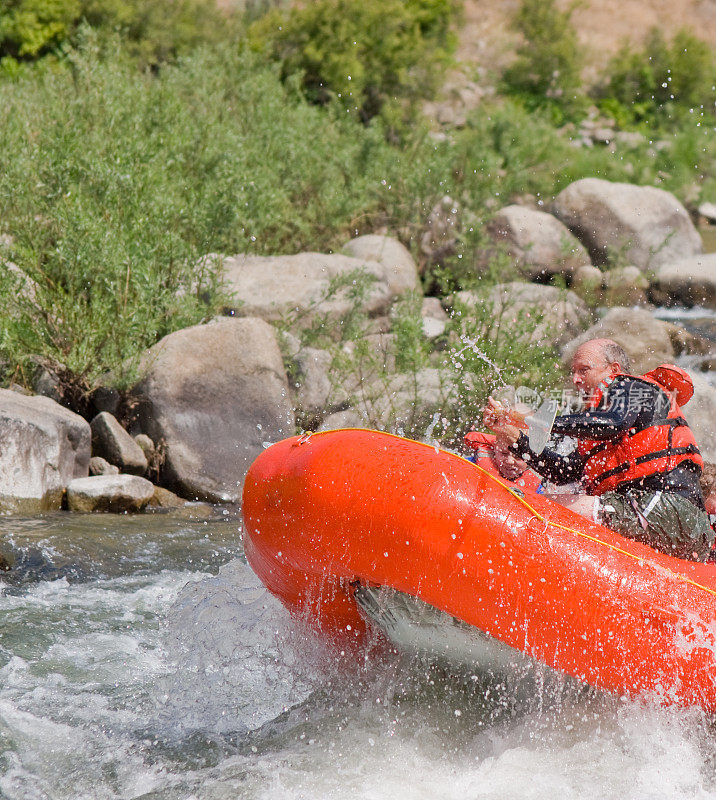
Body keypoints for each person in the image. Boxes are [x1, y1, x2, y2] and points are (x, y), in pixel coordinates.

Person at [485, 338, 714, 562]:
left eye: (584, 370)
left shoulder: (630, 386)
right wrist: (511, 434)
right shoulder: (598, 429)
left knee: (543, 505)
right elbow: (562, 472)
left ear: (613, 369)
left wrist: (541, 421)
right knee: (555, 500)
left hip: (668, 508)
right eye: (573, 372)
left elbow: (614, 423)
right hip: (677, 525)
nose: (575, 379)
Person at [464, 430, 544, 491]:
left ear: (530, 458)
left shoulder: (537, 488)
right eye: (504, 453)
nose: (509, 461)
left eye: (518, 457)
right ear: (495, 449)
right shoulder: (471, 465)